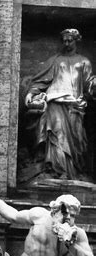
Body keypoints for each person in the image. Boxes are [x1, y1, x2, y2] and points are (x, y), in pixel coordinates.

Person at [24, 28, 96, 181]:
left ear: (76, 41)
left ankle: (73, 172)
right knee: (56, 134)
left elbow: (89, 84)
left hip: (74, 105)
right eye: (64, 40)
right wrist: (31, 93)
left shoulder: (84, 61)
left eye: (70, 40)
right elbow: (42, 80)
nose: (67, 43)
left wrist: (93, 86)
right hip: (55, 102)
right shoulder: (55, 60)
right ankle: (55, 170)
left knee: (76, 138)